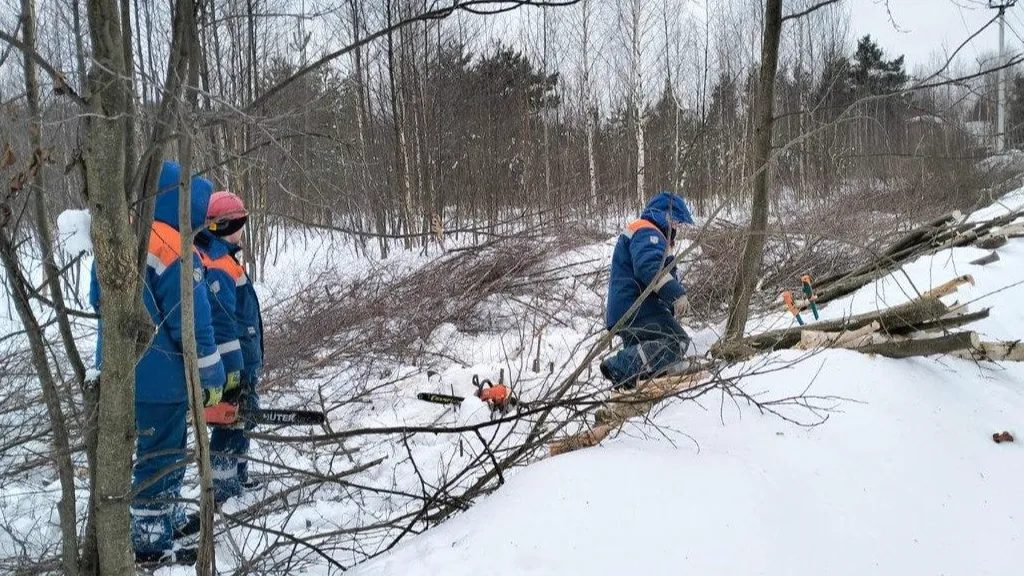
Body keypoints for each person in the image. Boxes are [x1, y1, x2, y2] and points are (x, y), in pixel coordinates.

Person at [90, 160, 226, 566]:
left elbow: (97, 298)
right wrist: (211, 374)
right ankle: (150, 539)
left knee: (149, 449)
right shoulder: (173, 248)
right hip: (162, 380)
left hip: (119, 372)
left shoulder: (124, 236)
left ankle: (164, 518)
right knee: (162, 454)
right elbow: (193, 322)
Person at [194, 190, 264, 505]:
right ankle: (223, 487)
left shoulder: (220, 257)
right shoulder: (218, 263)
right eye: (239, 226)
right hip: (233, 361)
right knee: (229, 421)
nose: (241, 233)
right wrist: (231, 370)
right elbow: (222, 323)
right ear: (225, 226)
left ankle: (238, 473)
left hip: (242, 355)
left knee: (242, 418)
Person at [599, 191, 695, 390]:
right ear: (665, 216)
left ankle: (629, 387)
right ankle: (618, 366)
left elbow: (663, 272)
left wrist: (670, 305)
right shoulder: (648, 232)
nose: (677, 227)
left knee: (643, 358)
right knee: (676, 341)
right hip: (636, 307)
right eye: (676, 222)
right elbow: (649, 268)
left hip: (629, 308)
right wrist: (676, 295)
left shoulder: (654, 235)